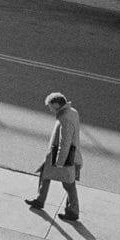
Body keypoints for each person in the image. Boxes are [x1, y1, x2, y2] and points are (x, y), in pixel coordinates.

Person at [25, 92, 82, 221]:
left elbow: (65, 141)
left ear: (56, 105)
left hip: (64, 156)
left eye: (50, 106)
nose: (50, 109)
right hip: (61, 154)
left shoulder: (65, 118)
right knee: (45, 174)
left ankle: (73, 211)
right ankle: (40, 200)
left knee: (68, 184)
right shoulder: (71, 111)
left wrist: (60, 162)